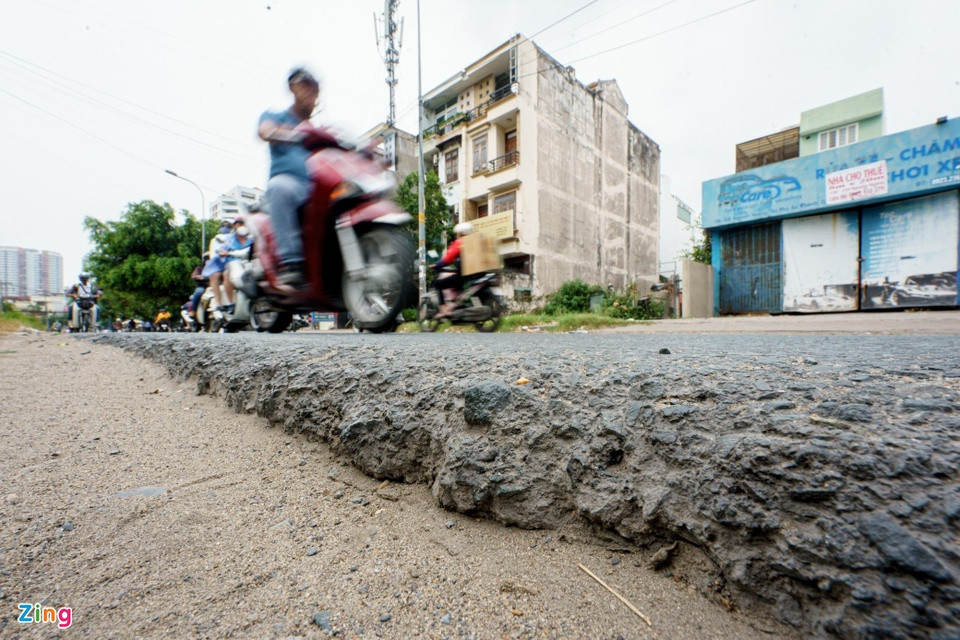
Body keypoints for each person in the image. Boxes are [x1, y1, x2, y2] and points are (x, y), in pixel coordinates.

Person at [257, 67, 340, 286]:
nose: (311, 97)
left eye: (314, 92)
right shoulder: (276, 117)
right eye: (306, 89)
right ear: (294, 89)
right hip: (290, 185)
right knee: (279, 187)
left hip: (314, 187)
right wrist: (290, 134)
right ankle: (292, 262)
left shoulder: (317, 130)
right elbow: (265, 131)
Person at [433, 222, 474, 317]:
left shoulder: (460, 243)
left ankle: (444, 310)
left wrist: (437, 265)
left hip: (462, 276)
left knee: (438, 284)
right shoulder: (473, 242)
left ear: (460, 233)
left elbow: (448, 258)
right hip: (473, 275)